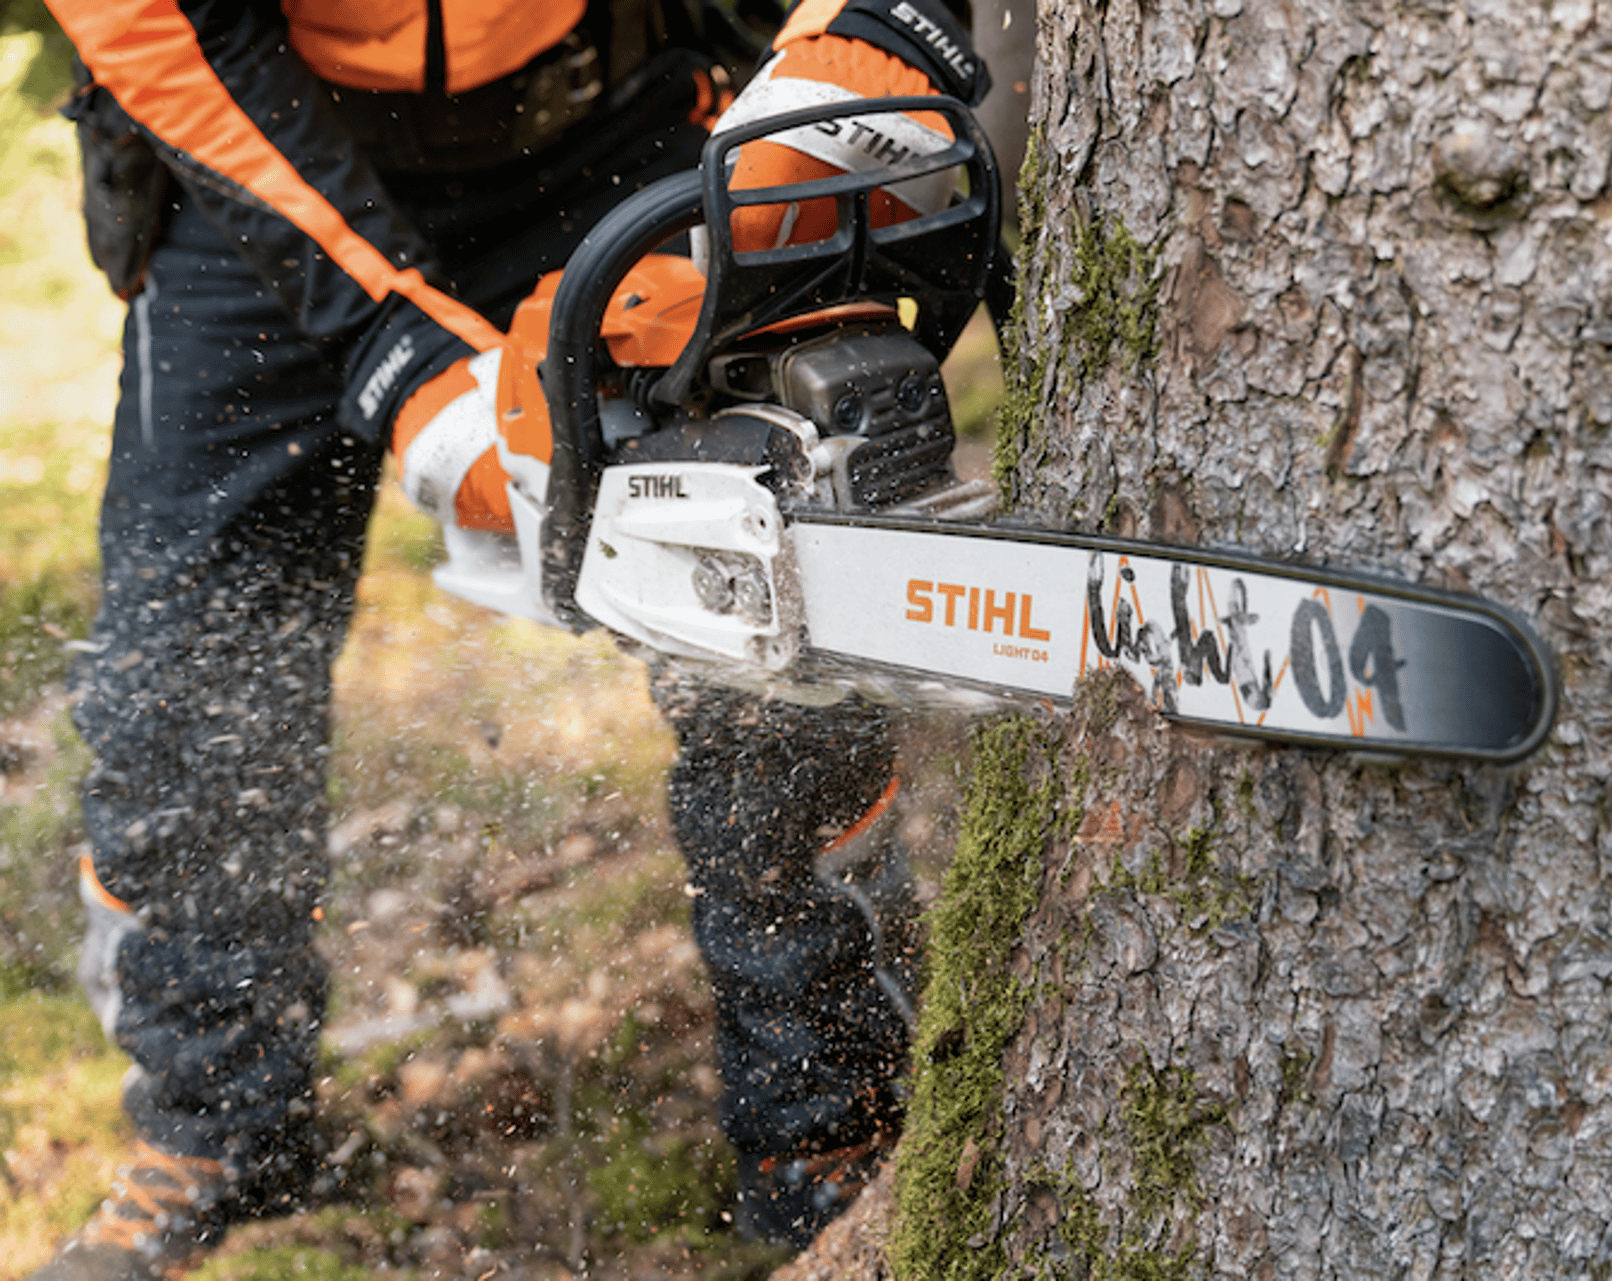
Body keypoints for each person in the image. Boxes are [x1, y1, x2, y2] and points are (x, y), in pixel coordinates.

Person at [27, 1, 993, 1276]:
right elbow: (158, 23)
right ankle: (215, 1130)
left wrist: (871, 34)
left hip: (601, 128)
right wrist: (399, 355)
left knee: (779, 624)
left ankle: (830, 1125)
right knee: (186, 671)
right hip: (260, 168)